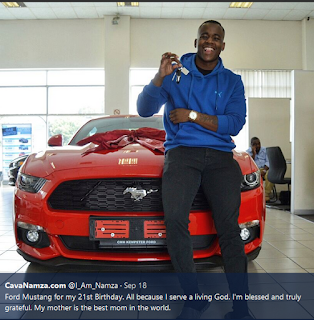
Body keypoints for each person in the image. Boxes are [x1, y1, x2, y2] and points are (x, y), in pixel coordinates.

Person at [137, 20, 251, 319]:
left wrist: (192, 115)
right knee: (175, 220)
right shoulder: (174, 74)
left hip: (220, 157)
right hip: (181, 154)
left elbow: (235, 123)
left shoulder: (231, 81)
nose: (209, 42)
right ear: (197, 41)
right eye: (205, 37)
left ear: (222, 45)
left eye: (216, 38)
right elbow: (144, 109)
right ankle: (193, 298)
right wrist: (158, 78)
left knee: (229, 228)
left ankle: (240, 307)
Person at [246, 137, 274, 202]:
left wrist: (264, 170)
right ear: (251, 145)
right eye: (255, 144)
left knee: (270, 175)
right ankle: (253, 196)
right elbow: (250, 163)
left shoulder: (265, 150)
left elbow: (268, 161)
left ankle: (266, 195)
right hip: (255, 170)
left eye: (259, 144)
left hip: (265, 168)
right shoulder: (247, 152)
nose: (258, 146)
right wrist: (253, 154)